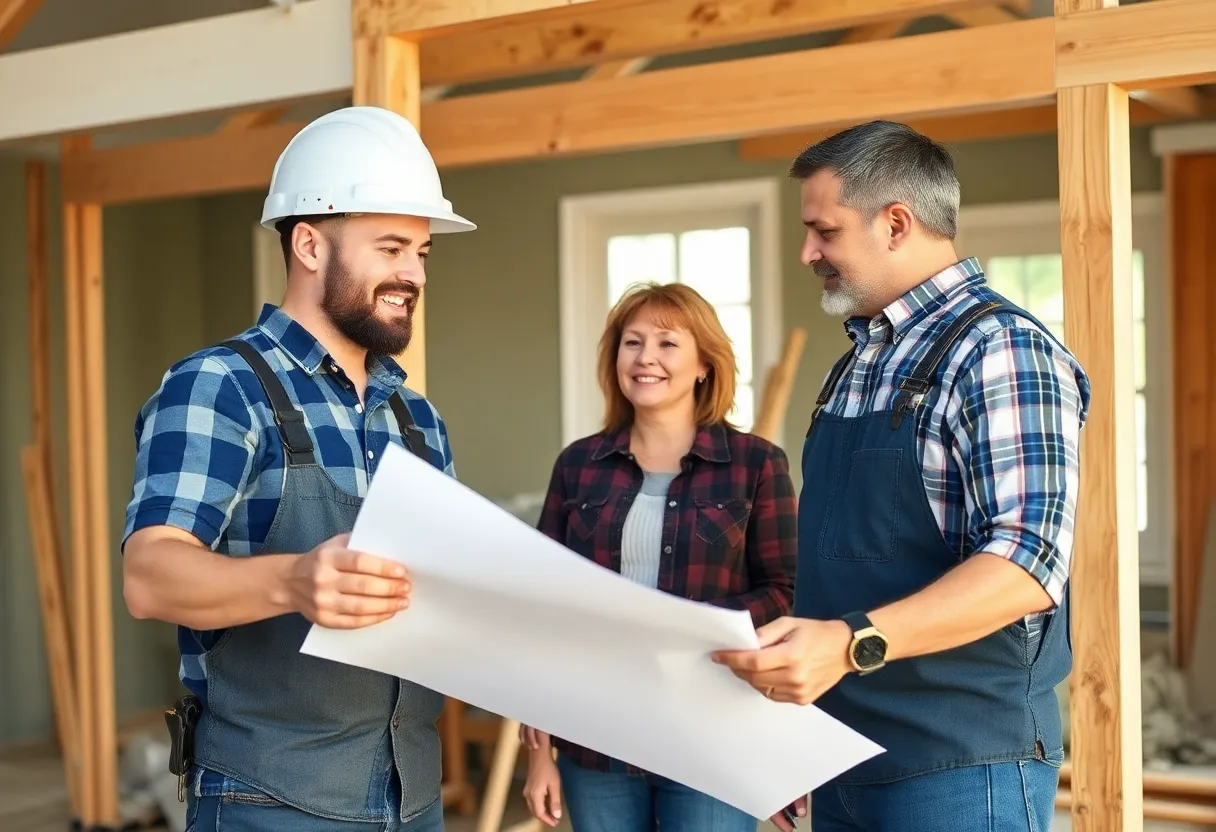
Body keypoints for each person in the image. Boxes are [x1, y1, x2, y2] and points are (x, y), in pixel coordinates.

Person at [713, 120, 1091, 831]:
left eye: (824, 231)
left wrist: (849, 643)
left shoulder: (1000, 350)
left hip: (960, 766)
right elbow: (838, 569)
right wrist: (795, 731)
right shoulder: (857, 364)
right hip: (842, 754)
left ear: (895, 223)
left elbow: (1028, 564)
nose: (807, 253)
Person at [120, 106, 475, 832]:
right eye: (390, 248)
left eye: (422, 252)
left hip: (414, 799)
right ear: (309, 244)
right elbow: (150, 576)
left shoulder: (417, 419)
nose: (413, 273)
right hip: (267, 800)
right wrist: (293, 581)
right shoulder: (220, 386)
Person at [518, 282, 798, 832]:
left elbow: (786, 593)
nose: (646, 357)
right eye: (633, 342)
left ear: (704, 364)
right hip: (595, 734)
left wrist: (687, 626)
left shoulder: (756, 464)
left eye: (668, 343)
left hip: (714, 731)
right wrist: (538, 753)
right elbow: (546, 606)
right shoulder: (578, 465)